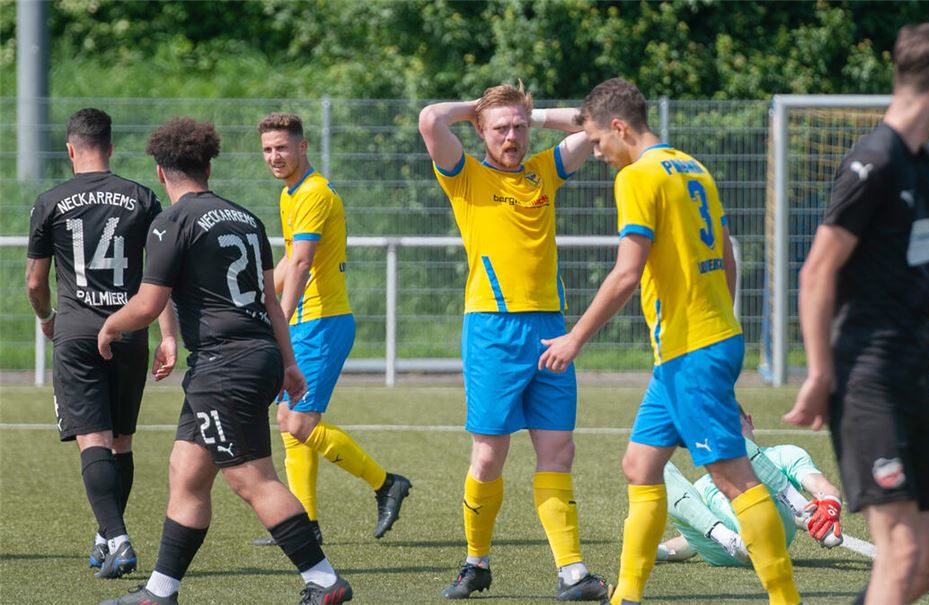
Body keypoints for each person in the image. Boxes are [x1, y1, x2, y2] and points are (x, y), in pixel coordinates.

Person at [784, 23, 929, 605]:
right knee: (903, 553)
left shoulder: (928, 168)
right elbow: (816, 272)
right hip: (867, 379)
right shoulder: (874, 162)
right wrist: (819, 374)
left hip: (915, 379)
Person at [539, 78, 802, 605]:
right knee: (640, 465)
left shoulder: (638, 177)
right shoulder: (692, 167)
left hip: (691, 349)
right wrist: (719, 329)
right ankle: (627, 596)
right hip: (700, 344)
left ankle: (785, 599)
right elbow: (728, 258)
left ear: (619, 128)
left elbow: (625, 274)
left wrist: (576, 338)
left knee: (735, 480)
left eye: (596, 142)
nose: (598, 153)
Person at [96, 117, 351, 605]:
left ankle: (323, 580)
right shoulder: (246, 219)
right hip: (252, 357)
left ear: (159, 169)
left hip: (223, 367)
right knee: (186, 469)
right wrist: (290, 363)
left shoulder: (172, 222)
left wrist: (109, 326)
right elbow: (272, 303)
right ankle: (160, 590)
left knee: (252, 479)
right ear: (208, 165)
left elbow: (149, 304)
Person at [419, 83, 608, 601]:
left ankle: (572, 572)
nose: (512, 136)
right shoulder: (466, 176)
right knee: (488, 457)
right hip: (492, 330)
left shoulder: (544, 170)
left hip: (551, 329)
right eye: (500, 128)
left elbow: (596, 121)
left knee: (559, 451)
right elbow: (431, 118)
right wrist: (480, 109)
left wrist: (534, 112)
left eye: (518, 127)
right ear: (480, 131)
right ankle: (475, 563)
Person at [25, 107, 175, 579]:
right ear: (110, 148)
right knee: (121, 441)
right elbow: (160, 274)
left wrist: (48, 317)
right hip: (130, 330)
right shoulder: (142, 197)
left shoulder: (49, 201)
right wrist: (168, 335)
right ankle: (104, 535)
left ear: (70, 149)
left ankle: (118, 538)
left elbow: (34, 281)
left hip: (76, 331)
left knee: (92, 438)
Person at [254, 112, 411, 546]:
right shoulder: (292, 194)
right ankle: (303, 523)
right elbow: (289, 259)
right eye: (267, 150)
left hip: (321, 323)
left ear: (303, 147)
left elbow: (303, 262)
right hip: (307, 321)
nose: (274, 156)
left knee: (297, 422)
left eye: (282, 147)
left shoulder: (314, 193)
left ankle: (386, 484)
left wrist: (277, 320)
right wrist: (261, 296)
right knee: (291, 420)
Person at [658, 410, 844, 567]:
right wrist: (662, 552)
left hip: (771, 530)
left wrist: (831, 503)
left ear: (749, 421)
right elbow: (690, 542)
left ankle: (800, 511)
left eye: (732, 425)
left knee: (735, 448)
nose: (727, 432)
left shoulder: (783, 454)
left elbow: (822, 486)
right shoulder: (702, 485)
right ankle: (728, 539)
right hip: (725, 549)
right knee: (652, 463)